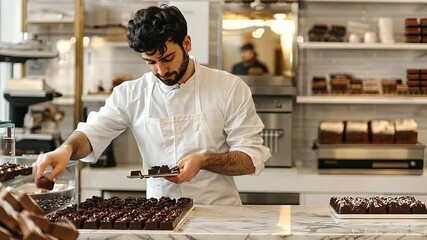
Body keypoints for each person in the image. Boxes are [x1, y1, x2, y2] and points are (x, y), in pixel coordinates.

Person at [34, 5, 271, 206]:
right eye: (150, 62)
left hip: (220, 217)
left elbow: (251, 158)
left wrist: (204, 160)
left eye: (168, 58)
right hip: (160, 217)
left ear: (186, 43)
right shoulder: (131, 93)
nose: (161, 70)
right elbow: (91, 133)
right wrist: (64, 150)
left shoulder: (228, 87)